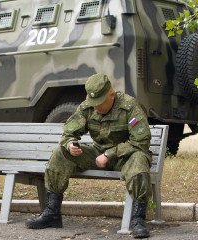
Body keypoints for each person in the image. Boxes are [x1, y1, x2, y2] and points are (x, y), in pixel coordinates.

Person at [25, 74, 152, 238]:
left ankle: (138, 220)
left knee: (139, 162)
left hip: (126, 156)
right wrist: (70, 145)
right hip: (98, 154)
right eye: (93, 102)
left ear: (111, 94)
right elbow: (68, 133)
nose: (96, 107)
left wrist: (109, 154)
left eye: (100, 102)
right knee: (60, 154)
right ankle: (52, 213)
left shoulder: (130, 106)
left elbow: (141, 142)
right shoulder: (87, 107)